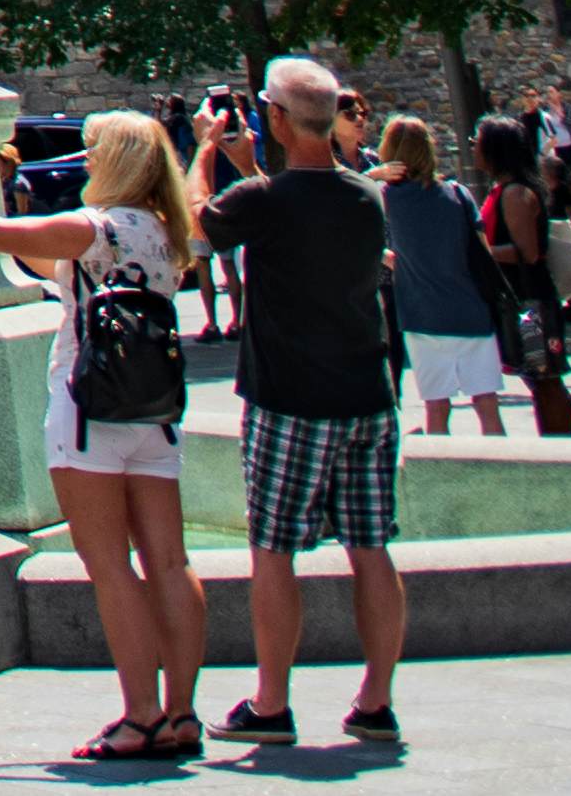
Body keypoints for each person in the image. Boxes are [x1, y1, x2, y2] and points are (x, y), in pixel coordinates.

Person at [0, 113, 197, 761]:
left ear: (118, 160)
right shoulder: (161, 231)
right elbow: (40, 256)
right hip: (152, 412)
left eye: (93, 148)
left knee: (108, 566)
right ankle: (181, 710)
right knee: (169, 560)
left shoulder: (93, 223)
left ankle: (139, 714)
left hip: (88, 411)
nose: (85, 158)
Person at [198, 64, 406, 756]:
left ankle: (272, 702)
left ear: (277, 117)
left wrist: (205, 150)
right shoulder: (364, 195)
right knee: (371, 548)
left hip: (291, 400)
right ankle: (376, 701)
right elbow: (296, 212)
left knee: (274, 552)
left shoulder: (265, 197)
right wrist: (253, 167)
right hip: (367, 394)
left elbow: (203, 223)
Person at [376, 116, 505, 440]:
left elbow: (346, 210)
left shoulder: (384, 198)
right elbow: (483, 252)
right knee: (487, 404)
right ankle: (505, 476)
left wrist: (390, 259)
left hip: (422, 315)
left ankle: (438, 481)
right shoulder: (458, 194)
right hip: (471, 312)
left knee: (436, 408)